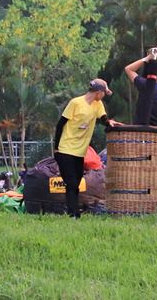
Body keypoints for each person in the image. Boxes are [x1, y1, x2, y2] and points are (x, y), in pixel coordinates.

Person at [52, 79, 120, 218]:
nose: (104, 96)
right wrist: (56, 148)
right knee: (71, 183)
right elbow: (60, 124)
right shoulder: (75, 103)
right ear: (98, 92)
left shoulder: (97, 104)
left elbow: (103, 118)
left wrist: (109, 122)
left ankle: (74, 212)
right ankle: (73, 215)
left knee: (76, 183)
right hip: (65, 149)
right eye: (104, 93)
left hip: (79, 152)